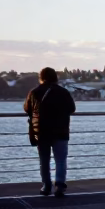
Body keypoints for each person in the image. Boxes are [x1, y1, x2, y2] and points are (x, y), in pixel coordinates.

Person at [23, 67, 76, 197]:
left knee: (44, 160)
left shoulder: (34, 92)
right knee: (61, 160)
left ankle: (46, 186)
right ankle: (60, 186)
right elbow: (71, 108)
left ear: (41, 77)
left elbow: (27, 109)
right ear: (55, 77)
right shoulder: (63, 92)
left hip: (42, 131)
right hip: (61, 131)